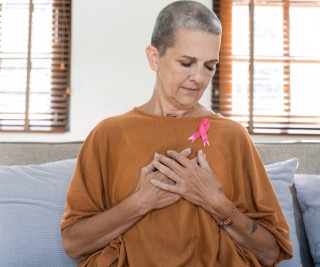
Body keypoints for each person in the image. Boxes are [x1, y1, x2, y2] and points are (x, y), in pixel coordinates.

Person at [60, 1, 292, 266]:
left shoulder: (232, 136)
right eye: (186, 63)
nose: (199, 78)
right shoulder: (108, 135)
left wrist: (216, 202)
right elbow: (74, 244)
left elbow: (272, 252)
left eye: (209, 66)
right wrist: (140, 202)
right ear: (154, 57)